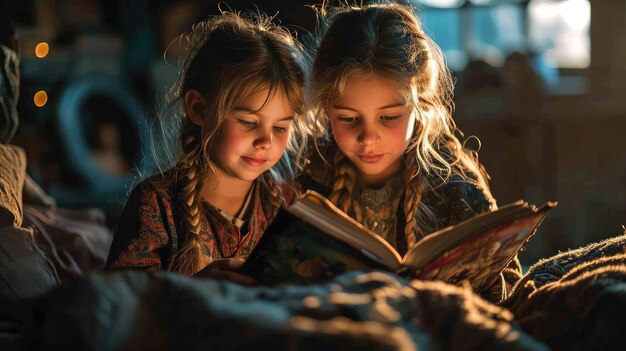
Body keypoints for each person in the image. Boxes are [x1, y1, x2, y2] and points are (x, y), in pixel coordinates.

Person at [300, 2, 521, 301]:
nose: (367, 137)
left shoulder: (453, 180)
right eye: (348, 118)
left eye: (389, 117)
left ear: (421, 106)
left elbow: (506, 281)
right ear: (325, 110)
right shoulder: (306, 173)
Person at [105, 12, 307, 284]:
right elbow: (118, 303)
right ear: (199, 108)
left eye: (280, 127)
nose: (266, 142)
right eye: (249, 122)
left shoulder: (289, 205)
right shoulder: (156, 204)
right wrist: (195, 289)